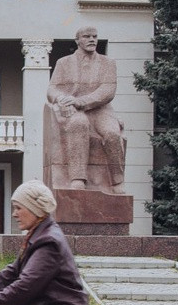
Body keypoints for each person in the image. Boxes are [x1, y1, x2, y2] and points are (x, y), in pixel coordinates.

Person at [46, 26, 126, 193]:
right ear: (78, 41)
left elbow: (107, 92)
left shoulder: (108, 63)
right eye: (87, 36)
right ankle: (78, 178)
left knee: (112, 134)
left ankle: (117, 180)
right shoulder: (64, 63)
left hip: (100, 110)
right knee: (78, 124)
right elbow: (51, 90)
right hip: (74, 111)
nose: (92, 40)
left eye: (95, 36)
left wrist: (79, 101)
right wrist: (61, 99)